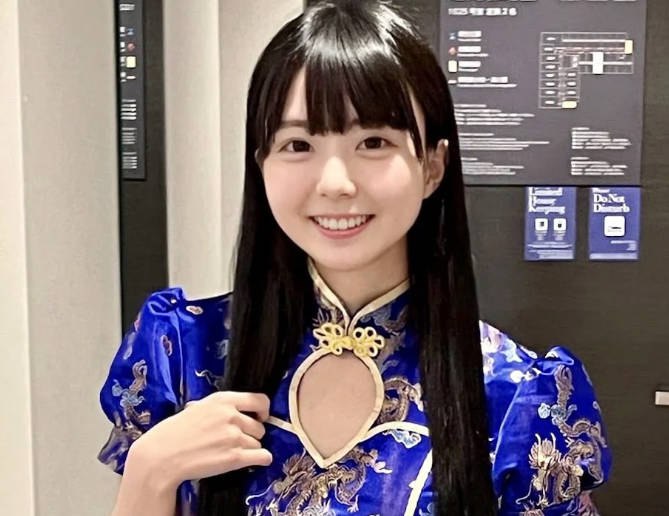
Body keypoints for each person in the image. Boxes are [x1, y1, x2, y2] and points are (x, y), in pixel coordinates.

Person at [97, 1, 612, 515]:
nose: (335, 183)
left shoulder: (516, 396)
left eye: (373, 141)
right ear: (262, 165)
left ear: (432, 167)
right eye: (298, 144)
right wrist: (150, 471)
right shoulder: (184, 355)